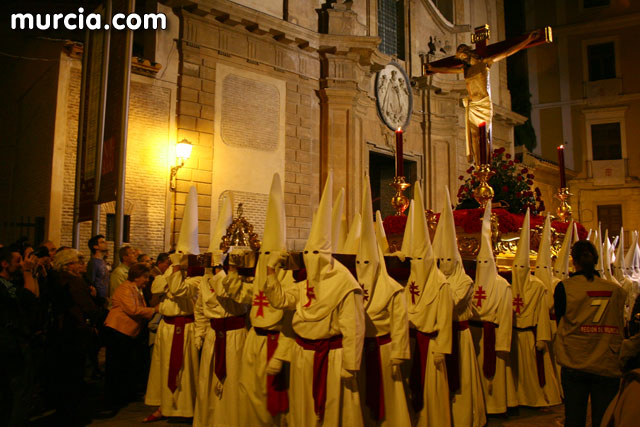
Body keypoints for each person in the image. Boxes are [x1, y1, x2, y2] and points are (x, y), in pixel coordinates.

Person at [264, 173, 365, 426]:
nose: (309, 258)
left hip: (332, 357)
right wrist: (270, 272)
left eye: (314, 253)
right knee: (303, 409)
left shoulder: (344, 283)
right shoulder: (307, 282)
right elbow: (281, 301)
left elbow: (353, 326)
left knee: (331, 410)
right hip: (302, 354)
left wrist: (350, 363)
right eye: (307, 252)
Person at [215, 177, 292, 427]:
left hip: (276, 342)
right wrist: (235, 273)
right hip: (253, 341)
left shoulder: (288, 280)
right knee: (249, 391)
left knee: (273, 398)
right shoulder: (260, 277)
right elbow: (244, 296)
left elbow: (288, 312)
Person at [426, 30, 539, 165]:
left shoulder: (485, 63)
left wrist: (527, 40)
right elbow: (449, 70)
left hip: (483, 104)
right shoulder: (465, 69)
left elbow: (507, 52)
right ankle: (479, 166)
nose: (463, 59)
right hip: (473, 105)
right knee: (474, 137)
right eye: (461, 58)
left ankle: (485, 164)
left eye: (463, 56)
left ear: (468, 53)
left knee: (482, 135)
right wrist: (433, 68)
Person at [192, 192, 250, 427]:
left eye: (217, 262)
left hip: (236, 336)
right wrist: (200, 333)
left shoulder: (239, 281)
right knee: (208, 382)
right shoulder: (205, 282)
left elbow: (229, 293)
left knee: (235, 381)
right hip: (213, 338)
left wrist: (221, 274)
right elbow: (200, 309)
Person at [356, 176, 410, 426]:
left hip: (385, 350)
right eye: (359, 263)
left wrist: (399, 352)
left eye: (367, 263)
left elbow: (399, 323)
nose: (363, 267)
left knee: (389, 400)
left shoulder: (392, 289)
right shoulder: (351, 286)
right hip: (360, 351)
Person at [554, 240, 626, 427]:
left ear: (573, 261)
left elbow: (560, 319)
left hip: (574, 360)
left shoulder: (565, 288)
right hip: (606, 361)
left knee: (574, 417)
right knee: (604, 419)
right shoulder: (616, 290)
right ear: (596, 260)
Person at [144, 186, 201, 421]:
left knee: (184, 371)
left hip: (185, 328)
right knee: (163, 368)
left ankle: (185, 409)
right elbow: (156, 288)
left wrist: (175, 273)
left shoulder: (197, 278)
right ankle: (163, 406)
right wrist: (171, 275)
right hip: (166, 328)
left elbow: (177, 291)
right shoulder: (168, 274)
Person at [433, 188, 486, 427]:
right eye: (440, 260)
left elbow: (451, 303)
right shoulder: (434, 278)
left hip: (458, 337)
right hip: (439, 337)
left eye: (448, 260)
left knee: (461, 383)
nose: (444, 265)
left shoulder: (464, 280)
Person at [401, 182, 452, 426]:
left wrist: (442, 348)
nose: (418, 263)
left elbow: (444, 318)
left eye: (422, 259)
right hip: (412, 343)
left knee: (432, 391)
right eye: (415, 259)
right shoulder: (410, 277)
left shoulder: (440, 284)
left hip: (431, 345)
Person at [470, 202, 515, 414]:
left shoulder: (502, 285)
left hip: (494, 336)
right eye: (480, 262)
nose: (483, 267)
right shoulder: (473, 282)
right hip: (476, 336)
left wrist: (503, 344)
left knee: (496, 378)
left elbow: (506, 317)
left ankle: (498, 406)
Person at [50, 248, 100, 425]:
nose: (82, 265)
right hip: (76, 332)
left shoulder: (56, 279)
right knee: (75, 374)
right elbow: (87, 307)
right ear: (69, 265)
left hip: (63, 332)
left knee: (65, 374)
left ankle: (63, 411)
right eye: (79, 262)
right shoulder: (74, 282)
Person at [104, 263, 158, 410]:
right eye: (145, 277)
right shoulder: (125, 289)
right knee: (116, 365)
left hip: (128, 332)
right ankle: (113, 398)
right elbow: (132, 309)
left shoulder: (137, 289)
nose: (147, 280)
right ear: (136, 276)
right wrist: (154, 310)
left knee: (125, 364)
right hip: (119, 330)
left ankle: (124, 394)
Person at [0, 246, 39, 426]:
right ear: (4, 264)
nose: (21, 264)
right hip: (12, 346)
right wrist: (28, 272)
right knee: (19, 392)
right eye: (18, 261)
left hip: (12, 345)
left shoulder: (11, 285)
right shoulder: (6, 288)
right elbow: (32, 298)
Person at [87, 234, 110, 300]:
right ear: (95, 246)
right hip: (98, 299)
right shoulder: (93, 263)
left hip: (104, 298)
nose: (106, 243)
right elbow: (90, 281)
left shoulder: (103, 261)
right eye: (102, 242)